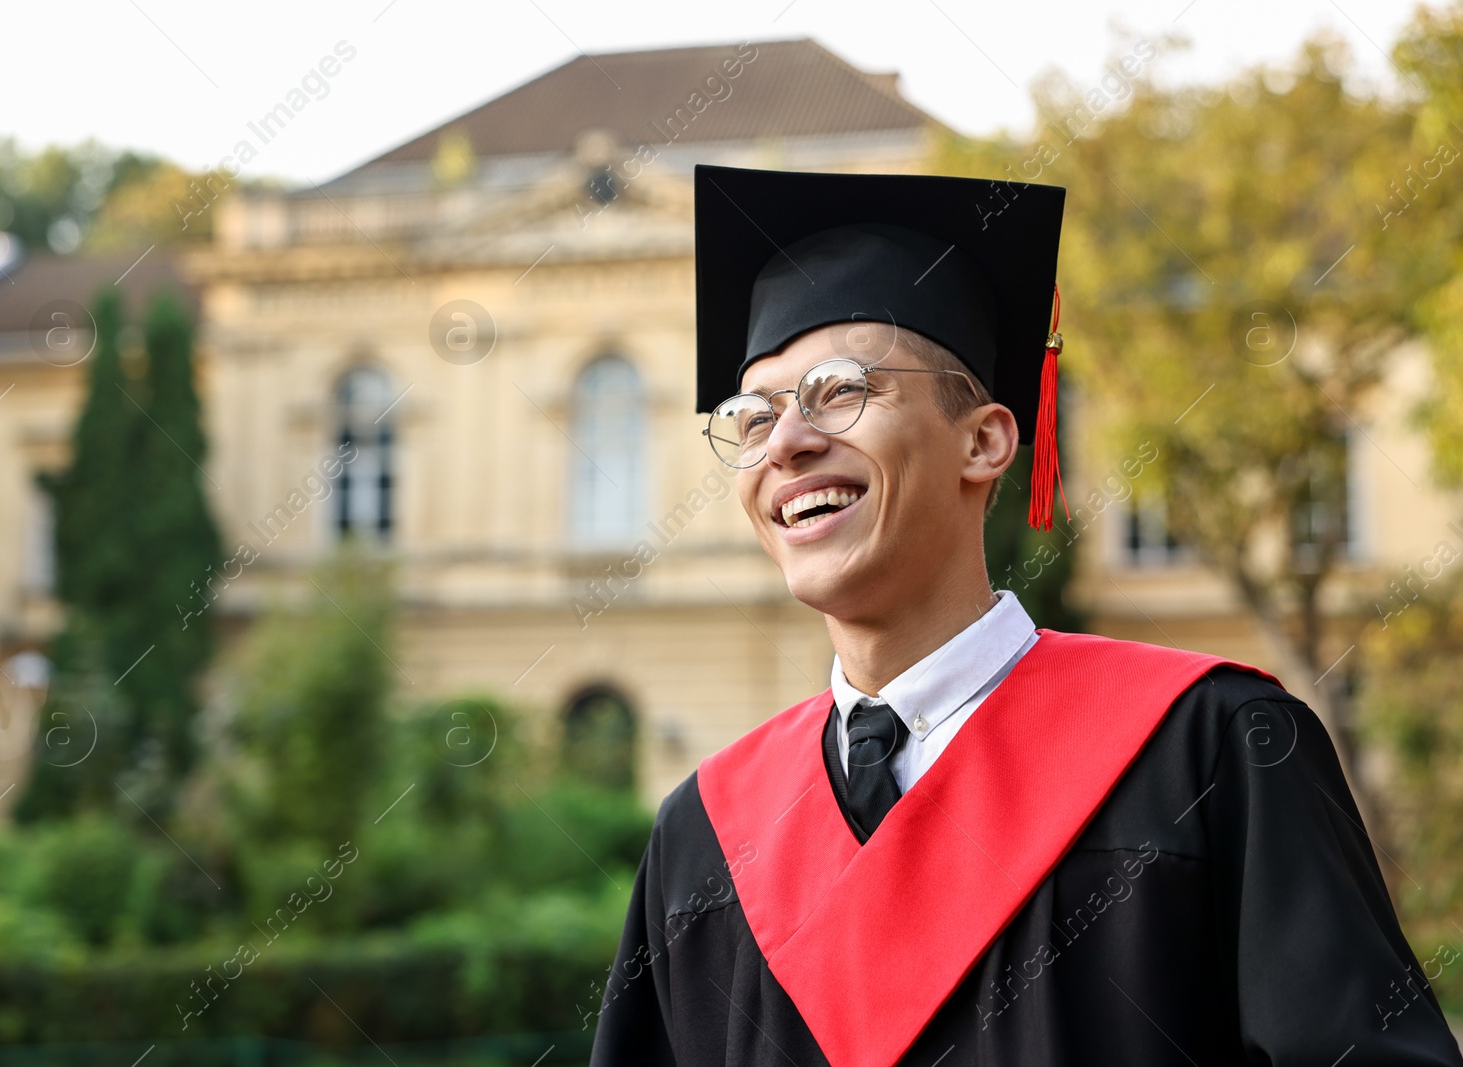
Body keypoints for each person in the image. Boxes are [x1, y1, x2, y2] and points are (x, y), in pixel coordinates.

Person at [588, 165, 1463, 1066]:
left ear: (986, 440)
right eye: (753, 415)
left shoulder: (1208, 751)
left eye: (840, 390)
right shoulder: (704, 834)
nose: (787, 443)